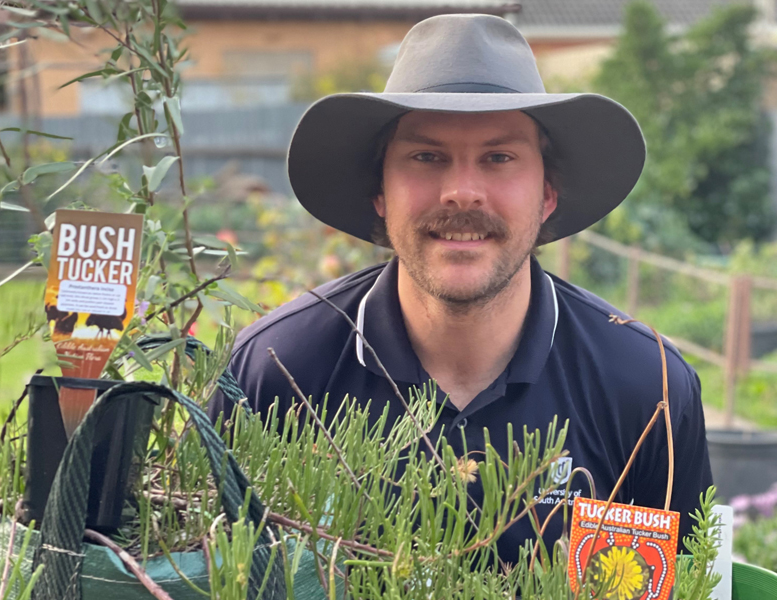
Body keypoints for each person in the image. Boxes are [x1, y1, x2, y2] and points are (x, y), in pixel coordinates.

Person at [209, 13, 713, 564]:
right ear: (380, 192)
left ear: (547, 194)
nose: (462, 193)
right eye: (427, 157)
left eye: (499, 158)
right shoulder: (277, 371)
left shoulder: (645, 390)